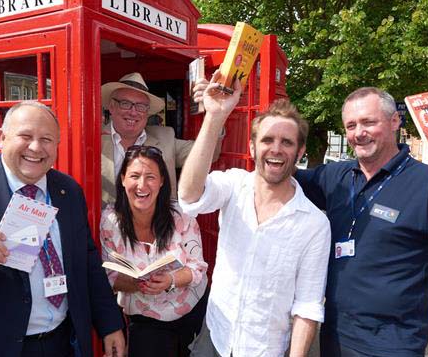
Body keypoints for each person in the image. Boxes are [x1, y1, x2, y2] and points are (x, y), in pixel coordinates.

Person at [294, 87, 428, 356]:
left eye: (369, 122)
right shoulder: (334, 176)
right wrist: (216, 119)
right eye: (351, 125)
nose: (358, 132)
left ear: (395, 121)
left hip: (394, 345)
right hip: (334, 336)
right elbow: (277, 175)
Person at [0, 101, 125, 357]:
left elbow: (87, 262)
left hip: (59, 344)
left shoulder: (68, 191)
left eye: (46, 139)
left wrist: (109, 324)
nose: (36, 147)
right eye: (25, 136)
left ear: (56, 145)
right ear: (2, 137)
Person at [178, 74, 331, 357]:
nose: (275, 148)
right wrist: (215, 116)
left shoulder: (314, 224)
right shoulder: (234, 185)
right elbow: (189, 196)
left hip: (265, 348)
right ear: (252, 148)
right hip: (214, 338)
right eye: (268, 140)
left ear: (300, 152)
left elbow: (308, 305)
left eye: (287, 142)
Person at [100, 145, 208, 357]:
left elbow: (198, 267)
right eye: (134, 176)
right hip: (145, 318)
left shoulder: (181, 216)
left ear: (161, 181)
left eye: (150, 176)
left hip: (193, 310)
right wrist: (135, 283)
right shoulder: (109, 222)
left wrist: (170, 280)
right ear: (122, 179)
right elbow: (106, 275)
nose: (142, 185)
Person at [101, 72, 222, 207]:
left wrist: (215, 114)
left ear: (147, 112)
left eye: (141, 106)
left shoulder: (165, 138)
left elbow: (211, 154)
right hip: (104, 225)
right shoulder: (91, 139)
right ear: (111, 106)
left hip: (158, 226)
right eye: (125, 103)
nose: (133, 112)